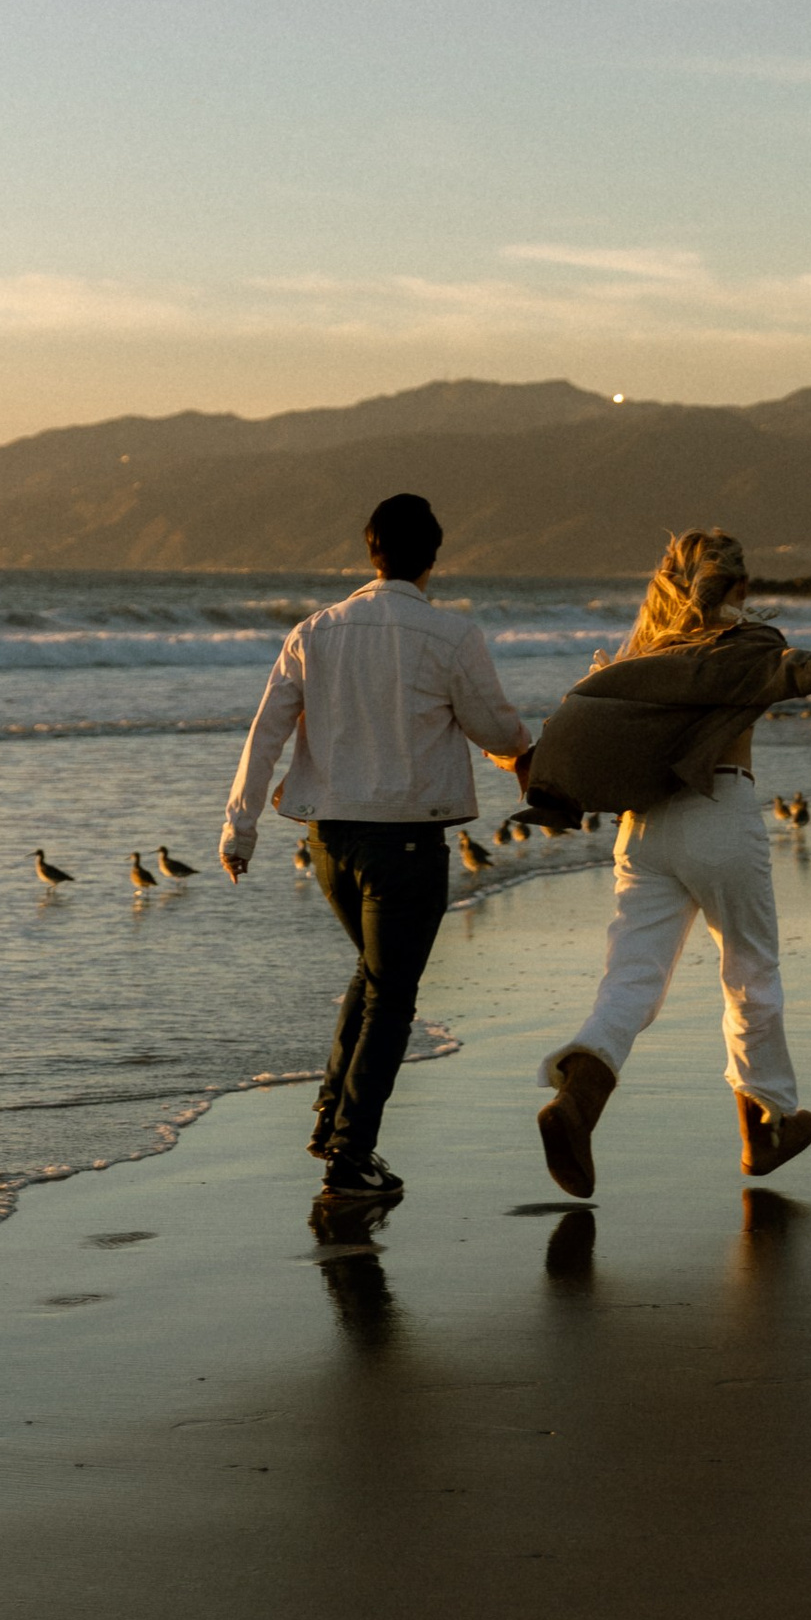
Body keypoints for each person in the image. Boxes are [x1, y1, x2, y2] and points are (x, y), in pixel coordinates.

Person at [531, 528, 811, 1199]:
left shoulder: (643, 654)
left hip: (642, 829)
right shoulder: (748, 643)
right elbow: (784, 672)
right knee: (750, 971)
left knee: (629, 981)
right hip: (717, 811)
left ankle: (577, 1101)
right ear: (741, 586)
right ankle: (766, 1127)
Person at [221, 491, 534, 1205]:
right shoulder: (450, 637)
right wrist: (525, 755)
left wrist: (239, 829)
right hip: (408, 841)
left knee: (375, 971)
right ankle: (351, 1156)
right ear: (432, 558)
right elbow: (495, 727)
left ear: (372, 551)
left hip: (328, 839)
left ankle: (335, 1115)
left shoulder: (314, 631)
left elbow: (265, 732)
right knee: (393, 993)